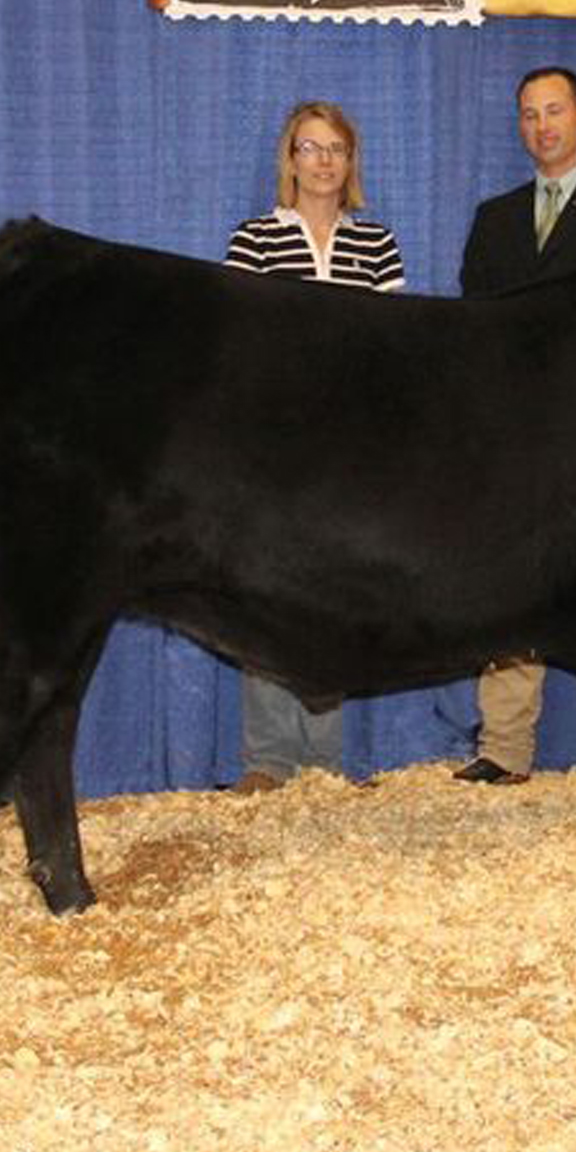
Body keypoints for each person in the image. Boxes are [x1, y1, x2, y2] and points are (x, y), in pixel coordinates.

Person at [451, 66, 576, 786]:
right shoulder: (494, 218)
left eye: (555, 111)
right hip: (510, 429)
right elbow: (473, 325)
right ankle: (505, 748)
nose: (543, 126)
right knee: (509, 581)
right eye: (530, 115)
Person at [223, 100, 405, 794]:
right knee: (263, 590)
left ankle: (324, 761)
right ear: (289, 159)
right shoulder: (256, 239)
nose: (324, 161)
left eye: (336, 149)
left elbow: (393, 347)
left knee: (332, 593)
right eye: (310, 147)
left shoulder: (376, 245)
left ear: (350, 162)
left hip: (351, 445)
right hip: (273, 441)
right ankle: (268, 759)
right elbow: (239, 342)